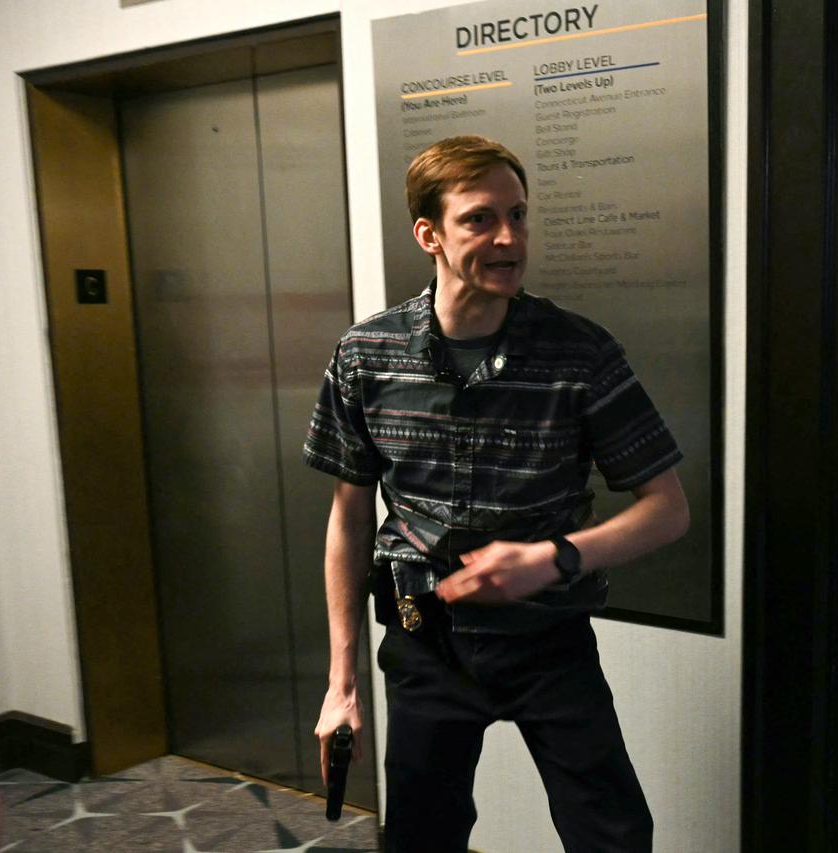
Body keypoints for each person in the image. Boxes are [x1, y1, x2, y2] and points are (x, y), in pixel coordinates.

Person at [304, 135, 689, 852]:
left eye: (518, 214)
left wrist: (557, 556)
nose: (510, 237)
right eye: (480, 218)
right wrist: (341, 681)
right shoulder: (367, 354)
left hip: (551, 643)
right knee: (422, 837)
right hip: (425, 643)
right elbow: (350, 517)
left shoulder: (580, 352)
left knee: (614, 835)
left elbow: (668, 508)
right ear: (430, 235)